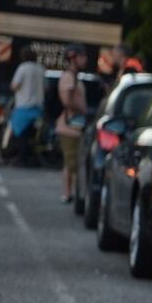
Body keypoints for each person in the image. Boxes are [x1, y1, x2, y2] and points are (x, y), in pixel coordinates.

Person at [56, 44, 89, 204]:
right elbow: (67, 100)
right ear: (73, 58)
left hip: (73, 126)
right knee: (72, 161)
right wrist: (82, 110)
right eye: (82, 56)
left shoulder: (74, 76)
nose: (85, 60)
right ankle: (68, 193)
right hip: (69, 127)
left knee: (70, 162)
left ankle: (69, 193)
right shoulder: (69, 77)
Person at [7, 45, 46, 163]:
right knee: (31, 134)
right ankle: (31, 156)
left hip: (24, 106)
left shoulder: (23, 68)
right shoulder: (40, 69)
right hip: (38, 107)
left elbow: (14, 85)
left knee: (20, 133)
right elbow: (46, 87)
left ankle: (21, 158)